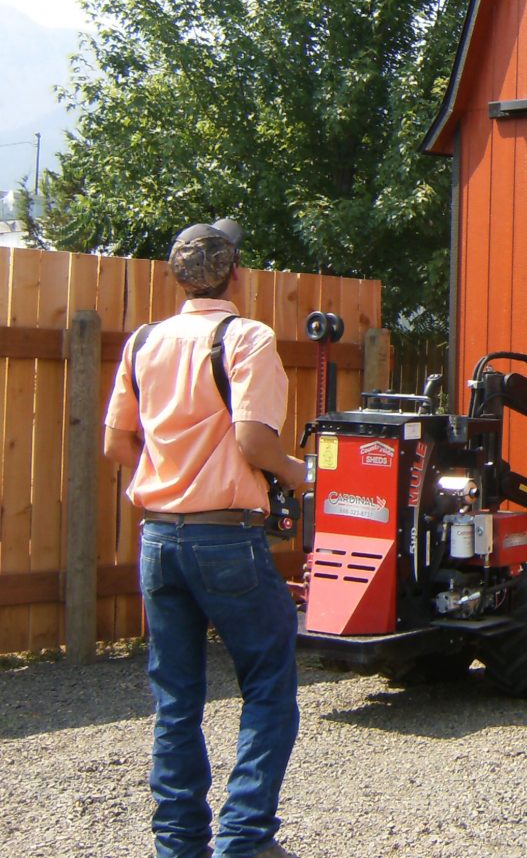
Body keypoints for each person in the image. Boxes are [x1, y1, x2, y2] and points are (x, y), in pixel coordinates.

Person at [103, 219, 309, 858]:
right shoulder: (246, 337)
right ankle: (244, 840)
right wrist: (309, 478)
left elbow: (116, 443)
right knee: (269, 683)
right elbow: (253, 441)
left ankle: (179, 846)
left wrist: (172, 475)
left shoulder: (143, 342)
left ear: (178, 278)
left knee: (176, 699)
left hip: (158, 540)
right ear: (237, 275)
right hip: (227, 539)